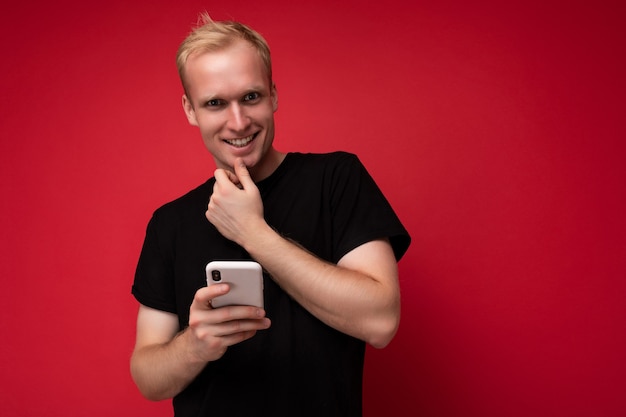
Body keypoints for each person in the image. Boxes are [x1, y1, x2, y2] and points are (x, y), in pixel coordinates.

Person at [130, 13, 411, 417]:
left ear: (274, 95)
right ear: (190, 110)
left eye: (251, 97)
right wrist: (195, 345)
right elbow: (147, 377)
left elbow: (381, 321)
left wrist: (253, 233)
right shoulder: (169, 224)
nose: (239, 122)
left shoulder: (336, 179)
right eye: (214, 103)